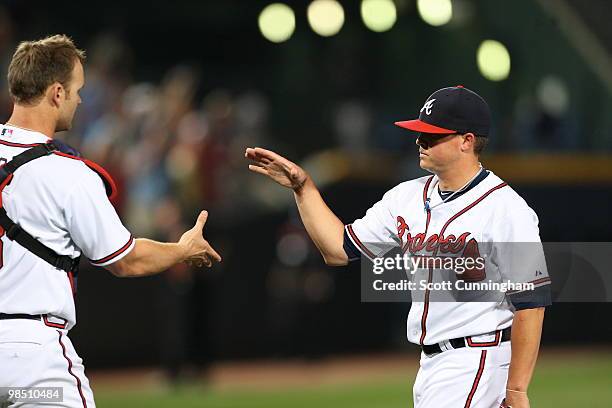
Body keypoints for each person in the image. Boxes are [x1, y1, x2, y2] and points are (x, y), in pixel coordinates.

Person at [246, 85, 551, 408]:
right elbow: (338, 248)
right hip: (431, 365)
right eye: (420, 133)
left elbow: (531, 302)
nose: (420, 141)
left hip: (479, 360)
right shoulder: (405, 197)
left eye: (433, 135)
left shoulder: (506, 208)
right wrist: (303, 187)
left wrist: (516, 389)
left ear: (467, 141)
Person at [0, 35, 221, 407]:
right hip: (32, 362)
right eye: (76, 90)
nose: (80, 99)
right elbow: (126, 259)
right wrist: (183, 250)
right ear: (56, 93)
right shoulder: (66, 173)